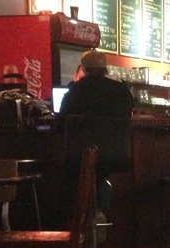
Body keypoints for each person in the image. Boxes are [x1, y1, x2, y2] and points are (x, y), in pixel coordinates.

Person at [57, 50, 134, 221]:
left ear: (83, 69)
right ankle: (99, 213)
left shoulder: (74, 90)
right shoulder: (121, 91)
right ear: (105, 69)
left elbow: (61, 121)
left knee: (72, 175)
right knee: (101, 171)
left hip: (78, 155)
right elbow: (129, 115)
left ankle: (79, 218)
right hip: (115, 155)